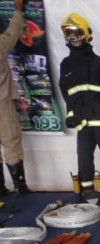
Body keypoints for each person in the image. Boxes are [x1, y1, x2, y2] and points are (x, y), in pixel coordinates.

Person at [59, 13, 100, 206]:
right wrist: (71, 114)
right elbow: (67, 93)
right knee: (84, 159)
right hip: (83, 122)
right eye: (69, 33)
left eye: (76, 32)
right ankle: (86, 194)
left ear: (86, 34)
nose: (73, 37)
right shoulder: (66, 65)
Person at [0, 0, 31, 195]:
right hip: (2, 102)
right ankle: (21, 187)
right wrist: (19, 9)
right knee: (11, 141)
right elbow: (13, 31)